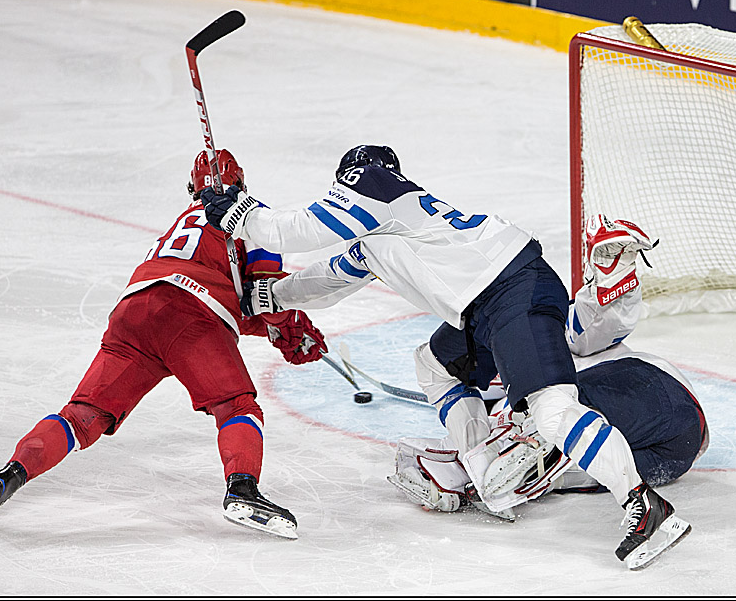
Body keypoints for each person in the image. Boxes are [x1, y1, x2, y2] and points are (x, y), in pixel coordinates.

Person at [199, 145, 692, 567]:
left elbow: (298, 230)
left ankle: (644, 506)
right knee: (433, 363)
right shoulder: (387, 235)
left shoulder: (373, 183)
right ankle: (484, 466)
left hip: (514, 289)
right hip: (485, 305)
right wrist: (268, 297)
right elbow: (327, 278)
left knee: (552, 410)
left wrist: (241, 212)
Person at [0, 149, 327, 540]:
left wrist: (273, 331)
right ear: (242, 183)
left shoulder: (180, 225)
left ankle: (7, 477)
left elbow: (224, 298)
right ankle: (242, 491)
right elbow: (265, 291)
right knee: (236, 406)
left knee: (82, 416)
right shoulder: (252, 218)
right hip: (192, 315)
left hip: (134, 312)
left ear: (192, 189)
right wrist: (288, 327)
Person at [388, 215, 708, 542]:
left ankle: (459, 473)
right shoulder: (513, 378)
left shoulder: (528, 339)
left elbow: (587, 332)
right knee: (547, 467)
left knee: (539, 421)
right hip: (674, 451)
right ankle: (467, 476)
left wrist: (613, 280)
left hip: (651, 390)